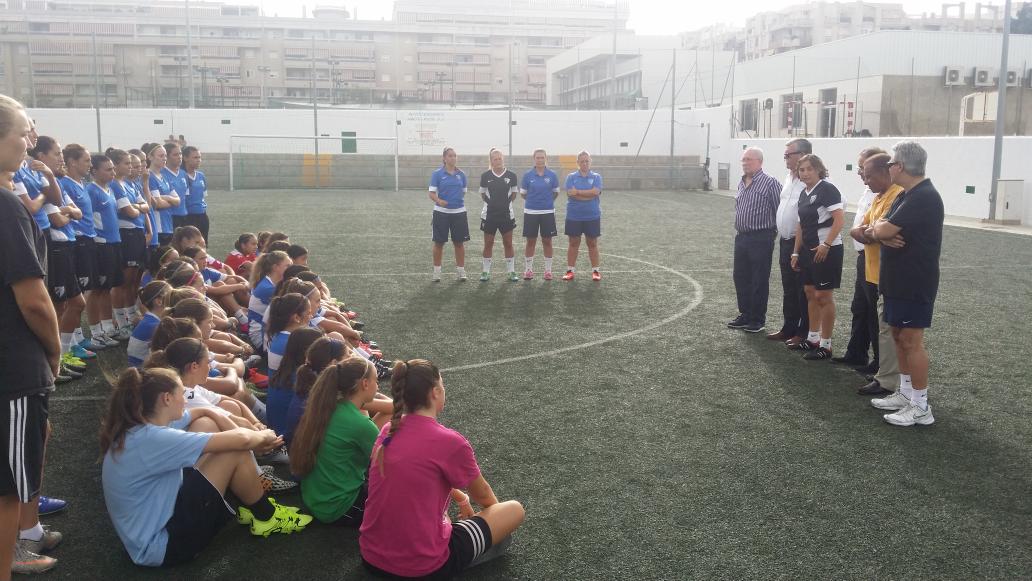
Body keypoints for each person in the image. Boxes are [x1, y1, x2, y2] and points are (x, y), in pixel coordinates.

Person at [100, 367, 313, 567]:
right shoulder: (154, 438)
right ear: (166, 399)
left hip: (152, 528)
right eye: (182, 393)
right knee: (233, 450)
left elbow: (200, 414)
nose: (186, 399)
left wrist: (215, 413)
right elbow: (242, 440)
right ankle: (267, 517)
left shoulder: (141, 424)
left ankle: (250, 503)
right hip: (163, 546)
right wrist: (264, 435)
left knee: (207, 424)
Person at [360, 359, 525, 579]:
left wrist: (461, 500)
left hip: (370, 556)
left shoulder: (388, 430)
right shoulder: (450, 442)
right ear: (436, 392)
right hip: (422, 566)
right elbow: (485, 496)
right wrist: (494, 523)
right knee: (514, 510)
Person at [0, 94, 62, 576]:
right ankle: (14, 550)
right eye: (23, 132)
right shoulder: (6, 205)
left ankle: (28, 532)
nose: (31, 140)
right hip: (15, 365)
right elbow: (34, 301)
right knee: (8, 483)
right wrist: (54, 350)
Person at [870, 141, 943, 427]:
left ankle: (921, 407)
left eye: (890, 164)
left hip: (915, 281)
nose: (888, 168)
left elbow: (883, 227)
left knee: (911, 341)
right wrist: (880, 232)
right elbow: (880, 225)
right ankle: (906, 393)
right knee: (899, 336)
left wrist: (880, 232)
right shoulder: (906, 194)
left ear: (899, 167)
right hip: (898, 279)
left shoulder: (923, 196)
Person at [290, 356, 391, 525]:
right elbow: (388, 466)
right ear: (365, 384)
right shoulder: (360, 424)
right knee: (402, 497)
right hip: (337, 506)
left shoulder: (328, 405)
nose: (378, 385)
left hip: (315, 496)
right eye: (376, 380)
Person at [28, 135, 91, 378]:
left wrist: (67, 211)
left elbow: (75, 211)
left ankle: (63, 354)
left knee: (71, 303)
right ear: (41, 156)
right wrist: (67, 212)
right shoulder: (41, 179)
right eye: (56, 154)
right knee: (59, 304)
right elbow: (57, 218)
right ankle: (56, 359)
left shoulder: (53, 181)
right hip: (55, 246)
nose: (60, 159)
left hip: (63, 245)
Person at [852, 153, 903, 397]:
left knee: (890, 330)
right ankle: (884, 374)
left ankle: (889, 380)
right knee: (878, 325)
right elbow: (857, 230)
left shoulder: (897, 195)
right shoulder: (878, 196)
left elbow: (882, 231)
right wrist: (872, 233)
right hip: (872, 271)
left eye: (869, 175)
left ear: (886, 172)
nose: (865, 180)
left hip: (888, 274)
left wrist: (871, 232)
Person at [832, 147, 886, 368]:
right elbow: (861, 228)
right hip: (863, 256)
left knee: (874, 311)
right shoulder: (869, 190)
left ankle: (879, 361)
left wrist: (863, 232)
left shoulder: (883, 191)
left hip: (875, 257)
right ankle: (856, 352)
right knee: (860, 307)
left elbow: (872, 230)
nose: (860, 172)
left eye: (863, 167)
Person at [789, 154, 844, 360]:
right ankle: (812, 338)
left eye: (809, 169)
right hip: (808, 251)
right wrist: (796, 251)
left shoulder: (827, 189)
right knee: (810, 292)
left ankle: (826, 344)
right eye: (801, 170)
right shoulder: (804, 193)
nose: (805, 173)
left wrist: (827, 244)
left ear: (819, 170)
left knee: (824, 296)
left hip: (827, 250)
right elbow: (801, 225)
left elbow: (839, 220)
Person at [727, 147, 781, 334]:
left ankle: (758, 319)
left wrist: (770, 235)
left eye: (749, 160)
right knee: (740, 277)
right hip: (741, 238)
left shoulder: (770, 183)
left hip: (761, 238)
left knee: (759, 279)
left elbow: (778, 210)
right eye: (743, 160)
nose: (745, 163)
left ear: (759, 162)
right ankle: (746, 314)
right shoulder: (742, 183)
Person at [768, 138, 810, 344]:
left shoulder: (810, 180)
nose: (785, 158)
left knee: (803, 289)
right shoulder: (788, 178)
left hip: (801, 243)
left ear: (801, 155)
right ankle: (789, 327)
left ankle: (803, 333)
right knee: (789, 288)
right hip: (785, 241)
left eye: (788, 155)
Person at [108, 148, 151, 339]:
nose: (132, 167)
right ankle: (121, 321)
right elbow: (131, 212)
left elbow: (146, 206)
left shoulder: (130, 185)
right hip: (126, 234)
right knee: (123, 282)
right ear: (115, 165)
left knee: (134, 280)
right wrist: (138, 208)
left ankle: (131, 316)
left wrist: (138, 208)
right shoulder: (115, 186)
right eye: (127, 164)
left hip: (137, 233)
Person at [86, 154, 126, 344]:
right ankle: (95, 332)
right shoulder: (91, 191)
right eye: (108, 169)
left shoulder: (109, 189)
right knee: (97, 289)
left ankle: (108, 328)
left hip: (113, 243)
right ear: (94, 171)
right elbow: (86, 219)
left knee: (107, 288)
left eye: (112, 168)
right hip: (100, 245)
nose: (112, 172)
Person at [477, 148, 519, 282]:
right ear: (491, 161)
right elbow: (483, 194)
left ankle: (511, 272)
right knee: (488, 243)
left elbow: (514, 194)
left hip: (506, 214)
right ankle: (485, 272)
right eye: (495, 159)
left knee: (508, 243)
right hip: (489, 215)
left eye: (500, 158)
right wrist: (493, 204)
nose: (498, 161)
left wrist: (504, 205)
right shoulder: (485, 176)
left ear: (503, 159)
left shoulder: (512, 175)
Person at [428, 147, 469, 282]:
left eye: (455, 155)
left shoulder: (461, 174)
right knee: (439, 243)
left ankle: (461, 271)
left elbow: (463, 192)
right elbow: (431, 193)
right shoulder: (437, 174)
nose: (453, 158)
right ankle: (437, 272)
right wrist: (439, 201)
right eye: (450, 156)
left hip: (459, 213)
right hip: (441, 214)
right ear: (444, 158)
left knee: (459, 243)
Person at [519, 148, 560, 280]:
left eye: (542, 157)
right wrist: (535, 202)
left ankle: (548, 271)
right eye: (538, 158)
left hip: (547, 212)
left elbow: (556, 192)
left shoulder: (552, 175)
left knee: (547, 241)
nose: (540, 160)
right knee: (530, 241)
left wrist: (545, 202)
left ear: (545, 159)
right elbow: (523, 193)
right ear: (534, 159)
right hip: (531, 212)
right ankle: (528, 270)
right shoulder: (527, 175)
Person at [562, 151, 603, 281]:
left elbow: (596, 192)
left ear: (590, 162)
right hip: (574, 215)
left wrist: (578, 192)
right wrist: (589, 194)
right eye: (582, 161)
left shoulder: (597, 177)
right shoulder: (571, 177)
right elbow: (570, 193)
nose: (584, 163)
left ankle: (595, 271)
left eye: (587, 161)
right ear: (578, 163)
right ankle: (570, 270)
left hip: (592, 215)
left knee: (592, 243)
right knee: (573, 242)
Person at [247, 251, 292, 350]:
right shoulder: (268, 289)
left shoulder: (272, 283)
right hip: (260, 335)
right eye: (287, 266)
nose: (290, 269)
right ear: (275, 267)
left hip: (265, 330)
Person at [144, 143, 178, 246]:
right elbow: (157, 204)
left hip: (168, 226)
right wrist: (170, 200)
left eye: (165, 156)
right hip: (158, 227)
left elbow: (178, 200)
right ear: (150, 157)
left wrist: (166, 198)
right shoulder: (150, 177)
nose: (164, 159)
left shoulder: (164, 177)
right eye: (161, 156)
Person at [180, 146, 209, 242]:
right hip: (188, 217)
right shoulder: (181, 175)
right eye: (195, 157)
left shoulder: (201, 176)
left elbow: (203, 196)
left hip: (202, 216)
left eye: (199, 157)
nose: (199, 160)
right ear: (185, 158)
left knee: (203, 245)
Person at [161, 143, 189, 231]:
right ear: (167, 157)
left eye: (180, 154)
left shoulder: (183, 174)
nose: (179, 157)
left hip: (184, 215)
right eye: (175, 154)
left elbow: (186, 196)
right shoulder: (161, 174)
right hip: (170, 217)